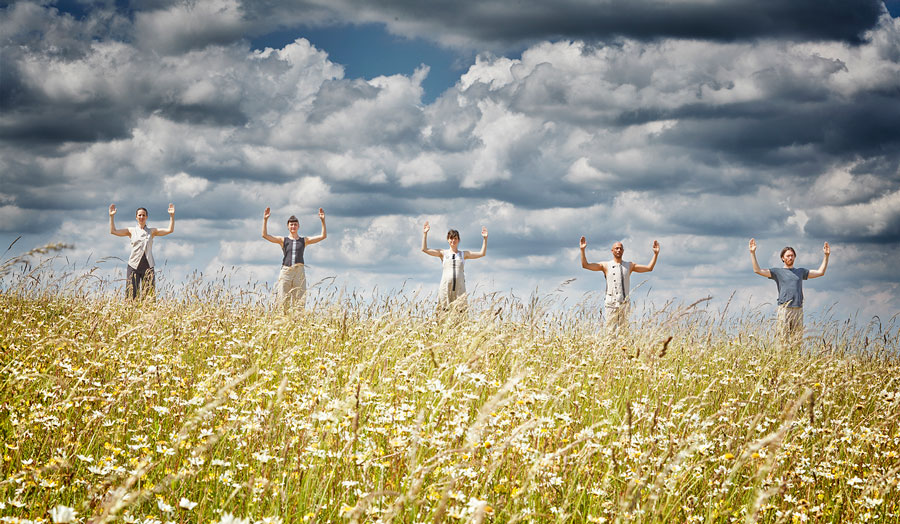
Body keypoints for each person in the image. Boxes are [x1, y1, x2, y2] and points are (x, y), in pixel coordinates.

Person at [749, 238, 830, 347]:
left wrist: (826, 256)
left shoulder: (800, 272)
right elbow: (757, 270)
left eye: (792, 255)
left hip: (798, 309)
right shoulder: (777, 272)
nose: (790, 257)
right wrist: (752, 253)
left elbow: (820, 272)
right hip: (784, 309)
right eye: (788, 256)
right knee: (783, 340)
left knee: (797, 341)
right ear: (782, 258)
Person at [580, 238, 659, 334]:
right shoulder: (605, 265)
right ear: (612, 251)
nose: (618, 250)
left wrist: (655, 254)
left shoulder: (629, 265)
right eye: (616, 248)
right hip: (610, 304)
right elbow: (585, 265)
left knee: (623, 333)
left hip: (624, 304)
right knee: (610, 333)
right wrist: (582, 250)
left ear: (623, 251)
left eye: (620, 248)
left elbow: (649, 268)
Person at [262, 207, 326, 311]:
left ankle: (298, 323)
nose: (293, 226)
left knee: (299, 302)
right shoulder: (283, 240)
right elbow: (265, 235)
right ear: (288, 226)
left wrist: (322, 221)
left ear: (298, 226)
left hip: (299, 272)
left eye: (295, 224)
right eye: (291, 224)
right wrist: (265, 220)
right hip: (286, 271)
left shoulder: (304, 240)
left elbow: (323, 236)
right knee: (283, 301)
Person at [109, 203, 175, 299]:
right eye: (139, 215)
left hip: (148, 266)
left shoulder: (152, 231)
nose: (141, 217)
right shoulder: (131, 230)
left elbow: (170, 230)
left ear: (146, 217)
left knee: (149, 296)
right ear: (136, 217)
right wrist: (111, 216)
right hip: (133, 266)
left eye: (143, 215)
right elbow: (113, 231)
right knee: (131, 295)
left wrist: (172, 216)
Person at [421, 222, 487, 308]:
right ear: (448, 240)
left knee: (460, 311)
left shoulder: (464, 254)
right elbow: (424, 249)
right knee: (444, 311)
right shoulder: (443, 253)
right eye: (451, 238)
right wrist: (425, 233)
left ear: (458, 240)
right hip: (445, 288)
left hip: (459, 288)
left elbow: (482, 253)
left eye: (455, 238)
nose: (453, 241)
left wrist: (485, 239)